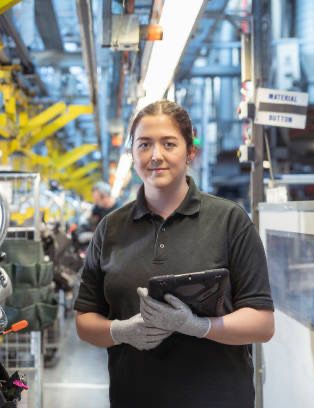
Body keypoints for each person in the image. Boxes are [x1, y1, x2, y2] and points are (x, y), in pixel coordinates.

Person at [74, 100, 274, 408]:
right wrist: (121, 331)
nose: (156, 156)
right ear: (132, 154)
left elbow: (262, 324)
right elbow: (85, 320)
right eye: (144, 145)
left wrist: (201, 326)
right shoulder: (110, 229)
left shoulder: (229, 221)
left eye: (169, 143)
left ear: (190, 152)